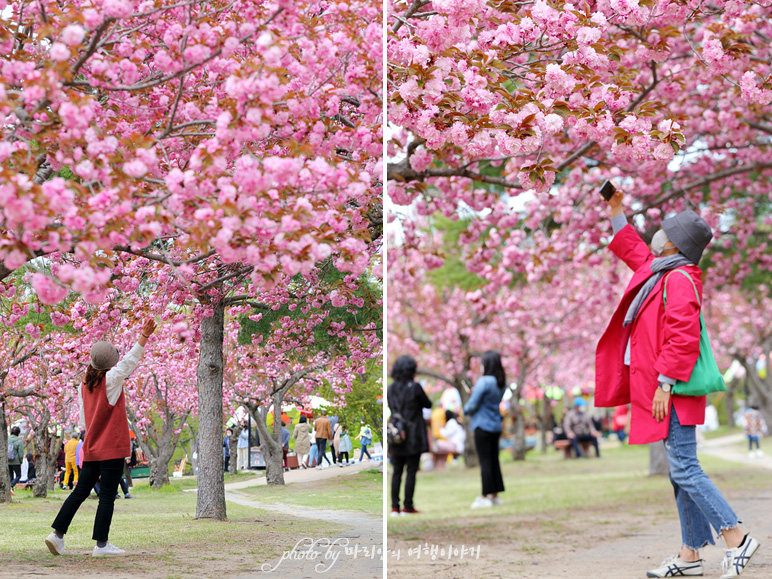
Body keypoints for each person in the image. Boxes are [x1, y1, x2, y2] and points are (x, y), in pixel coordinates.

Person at [595, 189, 759, 578]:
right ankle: (690, 556)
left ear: (673, 242)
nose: (656, 233)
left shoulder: (679, 279)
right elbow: (632, 248)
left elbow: (683, 337)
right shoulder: (660, 270)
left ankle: (736, 536)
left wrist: (665, 383)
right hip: (664, 389)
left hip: (672, 390)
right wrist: (616, 210)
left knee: (685, 466)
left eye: (664, 230)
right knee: (679, 469)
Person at [46, 319, 157, 558]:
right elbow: (129, 363)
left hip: (92, 446)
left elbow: (85, 423)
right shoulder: (112, 380)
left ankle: (57, 534)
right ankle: (102, 545)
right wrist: (143, 337)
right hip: (112, 447)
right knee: (107, 495)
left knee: (80, 491)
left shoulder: (83, 385)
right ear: (110, 363)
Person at [387, 355, 432, 515]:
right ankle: (408, 506)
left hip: (396, 434)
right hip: (413, 435)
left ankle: (394, 507)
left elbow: (392, 407)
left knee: (397, 471)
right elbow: (428, 404)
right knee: (411, 471)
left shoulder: (390, 388)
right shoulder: (415, 387)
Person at [464, 350, 506, 509]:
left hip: (482, 425)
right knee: (494, 460)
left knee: (485, 461)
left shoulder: (484, 381)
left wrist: (465, 410)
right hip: (495, 424)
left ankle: (485, 495)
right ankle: (495, 494)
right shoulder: (500, 381)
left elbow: (473, 404)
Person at [7, 425, 24, 494]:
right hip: (16, 461)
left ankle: (11, 490)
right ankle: (11, 486)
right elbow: (20, 453)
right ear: (18, 433)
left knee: (10, 476)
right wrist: (20, 461)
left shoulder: (6, 439)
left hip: (7, 461)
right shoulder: (19, 441)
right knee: (18, 475)